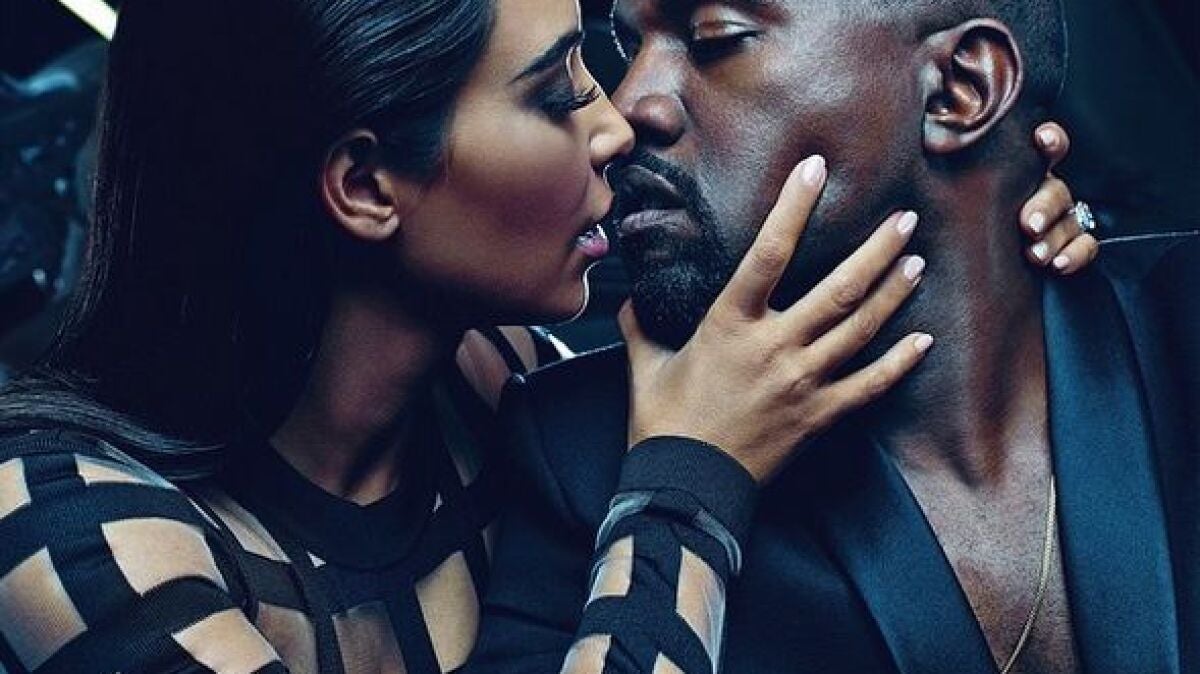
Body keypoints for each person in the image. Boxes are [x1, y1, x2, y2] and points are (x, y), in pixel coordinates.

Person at [0, 0, 1095, 673]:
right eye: (554, 93)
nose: (618, 120)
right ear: (367, 185)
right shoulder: (63, 523)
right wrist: (690, 477)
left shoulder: (512, 394)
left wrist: (992, 228)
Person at [467, 0, 1198, 672]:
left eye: (716, 39)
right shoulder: (582, 460)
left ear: (960, 90)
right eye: (630, 50)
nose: (630, 108)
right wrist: (688, 482)